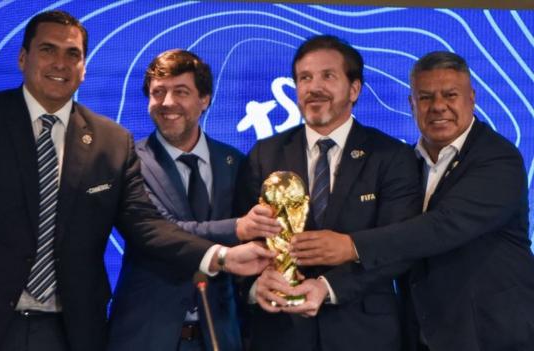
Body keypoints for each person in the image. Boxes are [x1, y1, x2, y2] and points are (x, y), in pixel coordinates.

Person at [0, 10, 273, 351]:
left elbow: (146, 227)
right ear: (23, 58)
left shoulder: (111, 141)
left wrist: (221, 257)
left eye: (73, 54)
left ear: (83, 68)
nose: (60, 63)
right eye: (48, 50)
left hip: (73, 332)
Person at [291, 51, 534, 350]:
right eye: (426, 97)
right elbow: (399, 244)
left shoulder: (498, 158)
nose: (438, 107)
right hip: (422, 331)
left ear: (472, 98)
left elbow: (443, 226)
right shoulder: (405, 161)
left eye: (450, 95)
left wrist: (351, 246)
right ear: (411, 104)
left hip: (490, 332)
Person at [235, 35, 422, 351]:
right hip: (279, 332)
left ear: (354, 89)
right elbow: (241, 239)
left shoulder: (391, 156)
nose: (313, 87)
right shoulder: (263, 154)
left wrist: (328, 286)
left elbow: (400, 246)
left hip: (363, 333)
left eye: (328, 76)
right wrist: (255, 285)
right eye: (304, 78)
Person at [107, 49, 276, 351]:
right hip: (145, 335)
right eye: (158, 93)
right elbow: (160, 231)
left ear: (205, 100)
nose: (167, 103)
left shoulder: (234, 162)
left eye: (181, 92)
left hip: (220, 335)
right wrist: (238, 228)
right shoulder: (128, 160)